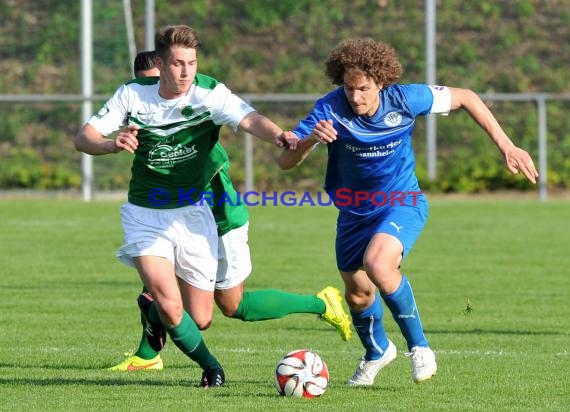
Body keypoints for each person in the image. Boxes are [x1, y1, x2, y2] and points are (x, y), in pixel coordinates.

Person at [74, 27, 351, 387]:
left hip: (215, 215)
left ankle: (322, 303)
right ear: (161, 66)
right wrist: (113, 144)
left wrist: (279, 134)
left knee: (224, 309)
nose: (185, 71)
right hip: (148, 214)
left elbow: (249, 118)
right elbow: (85, 137)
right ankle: (172, 357)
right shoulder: (133, 96)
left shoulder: (208, 95)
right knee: (168, 301)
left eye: (191, 63)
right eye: (177, 64)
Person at [278, 38, 539, 386]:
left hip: (403, 201)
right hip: (354, 213)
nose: (355, 96)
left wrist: (506, 145)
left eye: (364, 88)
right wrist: (311, 139)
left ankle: (420, 348)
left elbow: (467, 97)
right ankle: (376, 352)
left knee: (378, 265)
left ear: (381, 83)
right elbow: (285, 161)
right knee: (357, 293)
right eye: (349, 87)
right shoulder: (329, 108)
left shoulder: (404, 99)